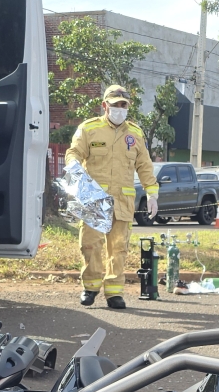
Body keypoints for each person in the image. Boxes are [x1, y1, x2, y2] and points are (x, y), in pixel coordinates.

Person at [65, 85, 159, 308]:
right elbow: (73, 153)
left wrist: (152, 193)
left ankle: (114, 293)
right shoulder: (89, 129)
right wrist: (73, 166)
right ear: (104, 106)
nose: (119, 108)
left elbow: (144, 166)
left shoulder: (135, 134)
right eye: (115, 104)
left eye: (123, 105)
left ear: (128, 107)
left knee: (118, 248)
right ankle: (90, 287)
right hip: (94, 200)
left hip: (122, 201)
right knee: (90, 245)